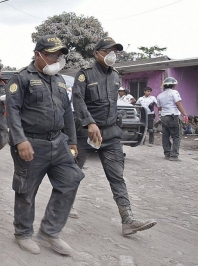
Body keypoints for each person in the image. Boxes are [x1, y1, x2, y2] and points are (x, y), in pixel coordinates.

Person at [6, 35, 84, 255]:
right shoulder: (21, 78)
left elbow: (67, 113)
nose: (55, 59)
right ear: (37, 54)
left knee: (72, 179)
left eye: (58, 55)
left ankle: (50, 231)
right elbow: (12, 111)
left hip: (58, 142)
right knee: (26, 190)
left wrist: (72, 140)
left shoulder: (59, 80)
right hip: (31, 142)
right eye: (50, 54)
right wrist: (20, 140)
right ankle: (23, 233)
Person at [72, 37, 156, 236]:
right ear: (97, 53)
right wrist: (90, 122)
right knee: (73, 173)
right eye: (108, 50)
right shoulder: (85, 75)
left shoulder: (115, 77)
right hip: (85, 132)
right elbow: (78, 101)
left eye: (115, 51)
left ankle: (128, 220)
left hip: (110, 134)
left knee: (117, 176)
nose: (112, 55)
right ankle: (65, 204)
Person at [157, 77, 188, 161]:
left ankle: (167, 154)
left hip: (164, 117)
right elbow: (178, 103)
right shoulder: (174, 92)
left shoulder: (160, 95)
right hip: (172, 116)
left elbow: (159, 108)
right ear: (173, 85)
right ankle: (174, 155)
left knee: (165, 136)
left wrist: (160, 117)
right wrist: (184, 114)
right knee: (176, 136)